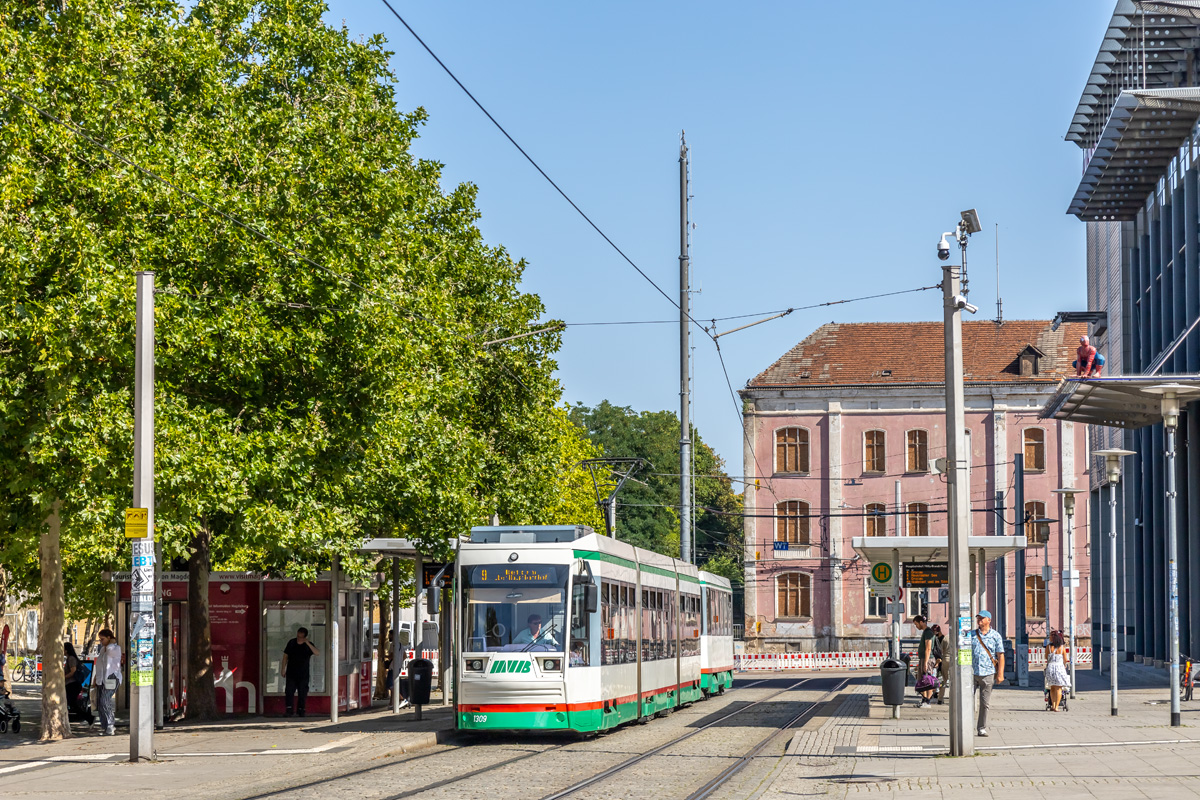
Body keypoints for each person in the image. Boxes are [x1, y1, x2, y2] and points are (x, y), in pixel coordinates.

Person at [971, 610, 1005, 737]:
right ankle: (966, 725)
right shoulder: (971, 635)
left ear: (989, 620)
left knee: (985, 703)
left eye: (982, 618)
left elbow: (1000, 655)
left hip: (988, 673)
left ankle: (981, 727)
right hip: (972, 673)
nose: (979, 620)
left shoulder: (995, 636)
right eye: (978, 618)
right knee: (967, 701)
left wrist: (1000, 673)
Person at [281, 627, 319, 717]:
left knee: (302, 692)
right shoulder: (292, 643)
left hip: (303, 673)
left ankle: (301, 709)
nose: (299, 638)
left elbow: (317, 653)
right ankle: (289, 709)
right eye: (298, 636)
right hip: (291, 672)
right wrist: (283, 668)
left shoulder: (308, 645)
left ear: (305, 636)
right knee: (289, 691)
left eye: (301, 636)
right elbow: (285, 656)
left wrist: (307, 643)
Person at [95, 629, 122, 736]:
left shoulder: (115, 648)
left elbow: (110, 651)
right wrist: (96, 678)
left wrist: (112, 643)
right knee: (100, 702)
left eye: (103, 639)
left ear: (109, 638)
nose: (101, 641)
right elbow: (100, 665)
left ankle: (110, 724)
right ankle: (105, 726)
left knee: (104, 700)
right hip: (102, 678)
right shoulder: (103, 649)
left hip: (112, 676)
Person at [1044, 630, 1071, 711]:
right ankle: (1056, 707)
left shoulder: (1048, 647)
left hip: (1051, 668)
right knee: (1059, 688)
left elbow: (1046, 657)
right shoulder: (1062, 647)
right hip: (1059, 668)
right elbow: (1065, 659)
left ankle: (1053, 705)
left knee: (1052, 688)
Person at [913, 615, 936, 708]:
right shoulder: (926, 632)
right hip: (924, 658)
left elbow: (928, 648)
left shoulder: (928, 632)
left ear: (921, 622)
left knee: (928, 680)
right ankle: (924, 700)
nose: (916, 626)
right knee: (923, 680)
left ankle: (927, 701)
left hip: (928, 659)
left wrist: (926, 662)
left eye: (916, 624)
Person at [933, 625, 951, 705]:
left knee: (944, 679)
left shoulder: (946, 638)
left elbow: (940, 650)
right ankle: (954, 697)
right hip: (956, 660)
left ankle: (940, 698)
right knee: (955, 680)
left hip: (946, 659)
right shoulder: (960, 637)